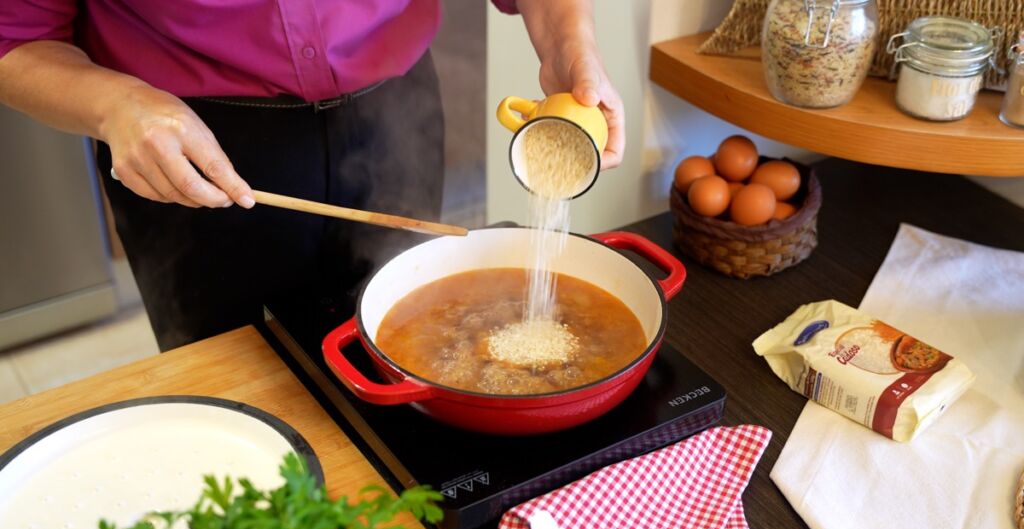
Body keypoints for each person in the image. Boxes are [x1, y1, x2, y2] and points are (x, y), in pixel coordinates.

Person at [0, 0, 625, 351]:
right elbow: (16, 37)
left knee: (409, 342)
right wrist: (115, 104)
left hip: (396, 108)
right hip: (191, 141)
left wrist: (573, 42)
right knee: (238, 382)